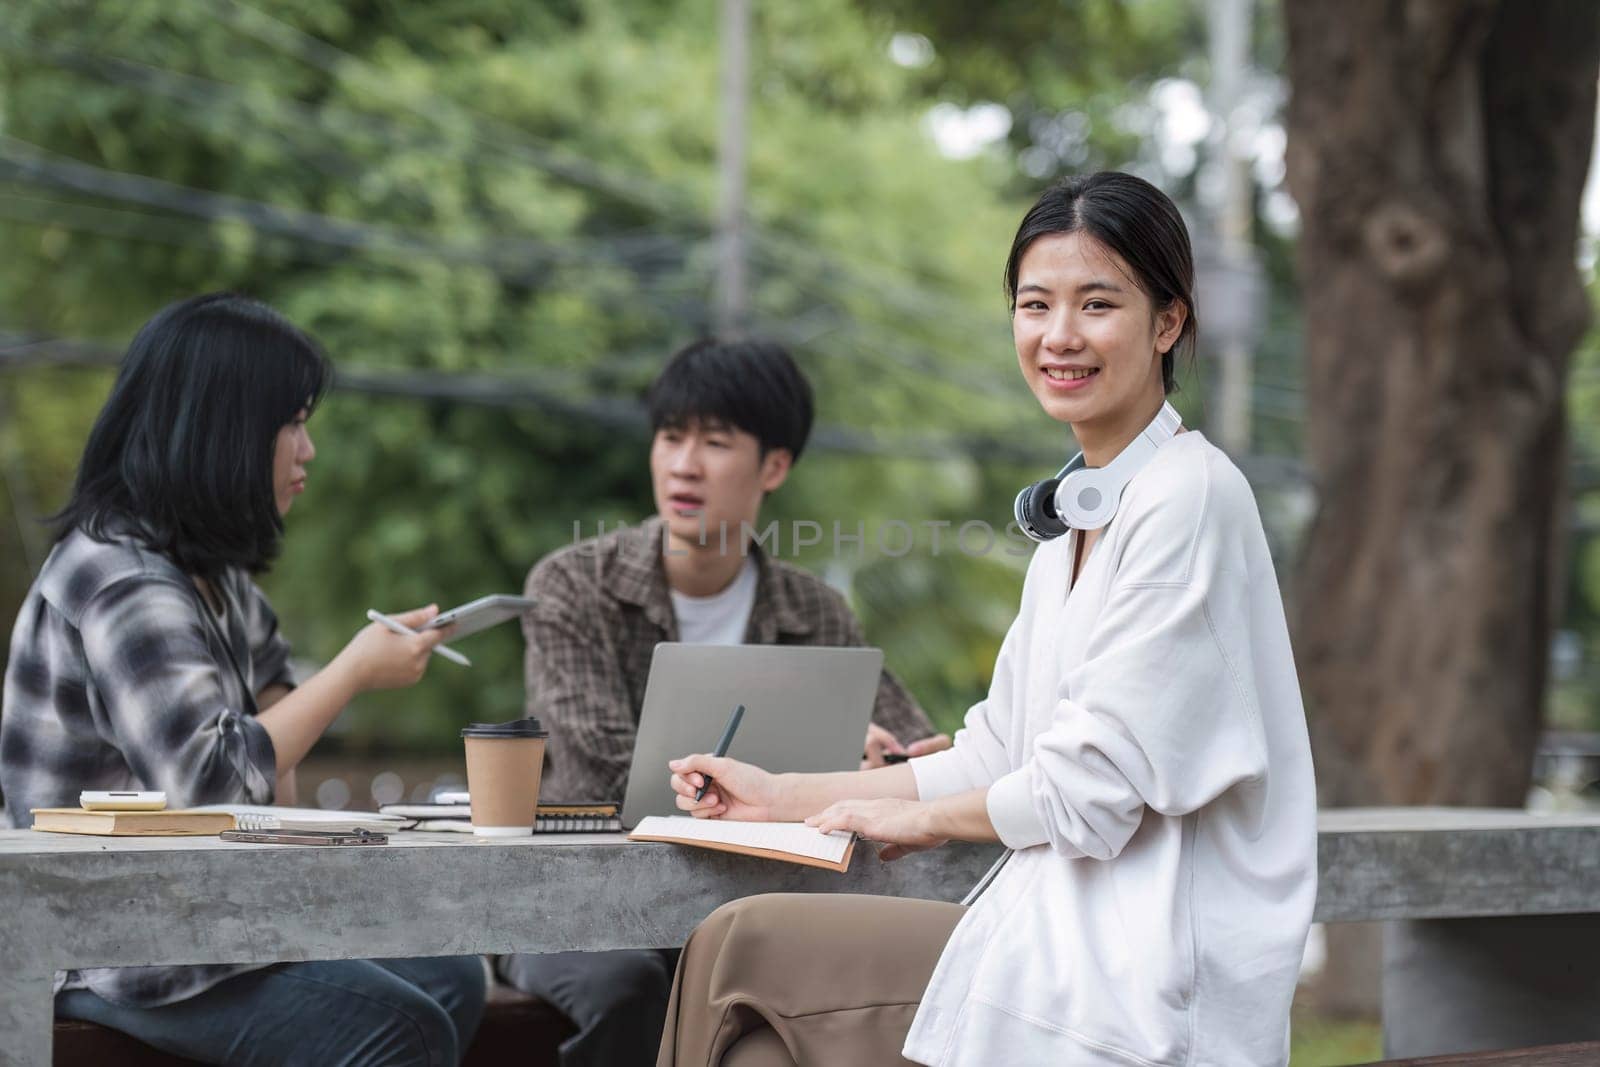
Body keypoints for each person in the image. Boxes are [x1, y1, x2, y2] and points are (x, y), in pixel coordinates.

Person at [658, 172, 1318, 1067]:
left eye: (1097, 303)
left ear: (1168, 322)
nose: (1059, 336)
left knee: (743, 946)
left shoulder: (1189, 498)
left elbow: (1084, 795)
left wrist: (914, 821)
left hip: (1135, 982)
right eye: (1035, 303)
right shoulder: (1071, 532)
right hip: (1045, 938)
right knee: (753, 1033)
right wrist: (779, 795)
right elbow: (995, 755)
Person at [0, 293, 486, 1066]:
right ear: (223, 429)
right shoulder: (120, 581)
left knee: (454, 974)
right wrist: (355, 669)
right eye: (291, 422)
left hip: (208, 915)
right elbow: (215, 779)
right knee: (404, 1026)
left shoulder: (217, 580)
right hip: (109, 941)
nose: (309, 449)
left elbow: (272, 766)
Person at [502, 337, 949, 1067]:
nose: (684, 463)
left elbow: (912, 755)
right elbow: (597, 774)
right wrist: (825, 781)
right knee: (626, 986)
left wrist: (895, 761)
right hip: (585, 904)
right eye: (672, 436)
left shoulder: (814, 610)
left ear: (774, 465)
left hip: (757, 907)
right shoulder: (573, 585)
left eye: (715, 442)